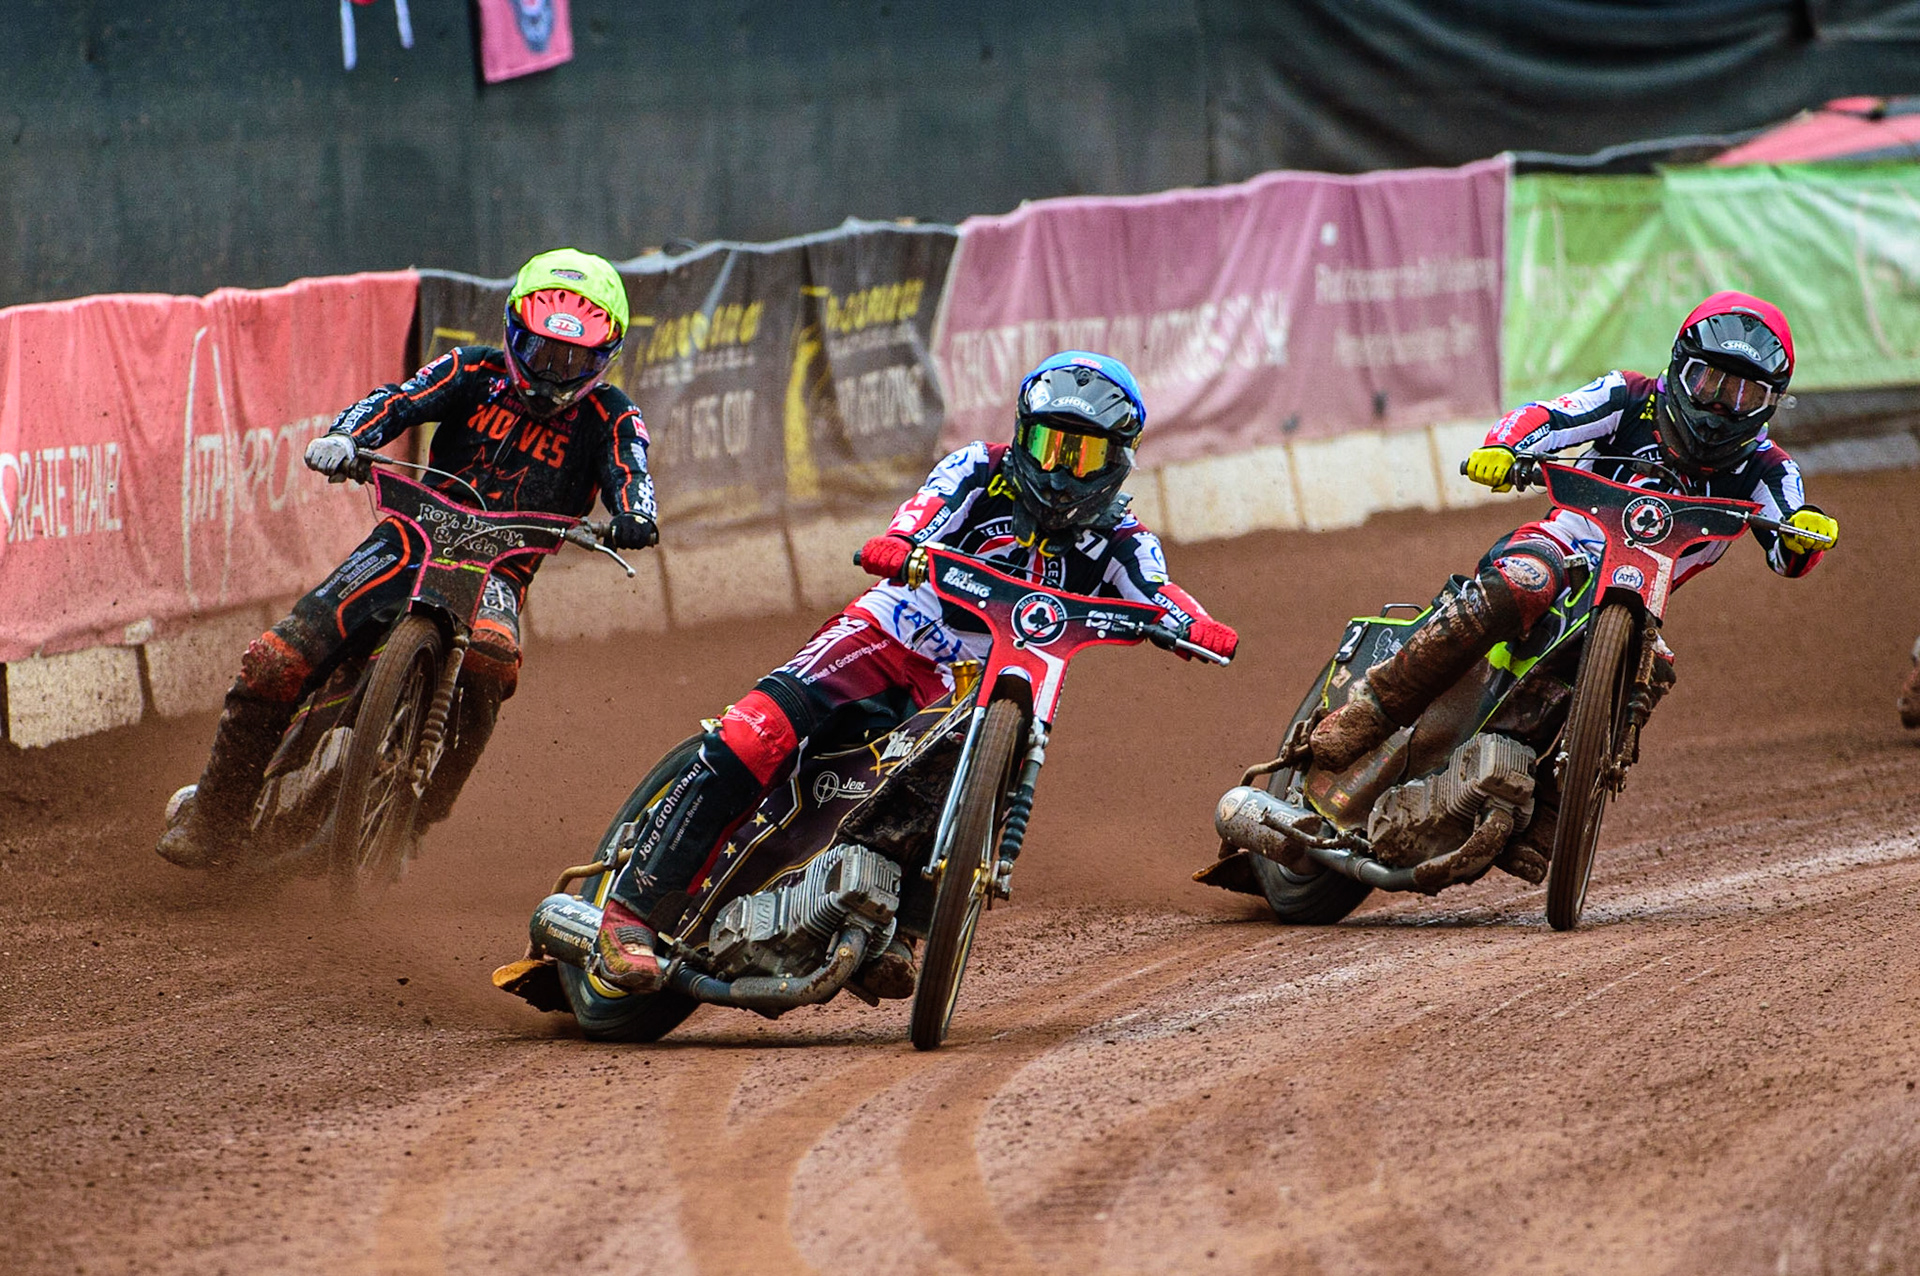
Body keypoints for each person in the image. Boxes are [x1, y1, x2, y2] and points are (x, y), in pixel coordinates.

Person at [589, 351, 1239, 993]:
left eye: (1082, 454)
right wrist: (899, 544)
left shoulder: (1121, 535)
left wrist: (1195, 626)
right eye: (1047, 443)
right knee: (753, 733)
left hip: (971, 681)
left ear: (1119, 459)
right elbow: (922, 513)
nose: (1059, 468)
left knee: (984, 755)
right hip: (891, 628)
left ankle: (903, 925)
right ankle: (629, 915)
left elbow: (1158, 591)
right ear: (1022, 433)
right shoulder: (980, 471)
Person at [158, 248, 660, 868]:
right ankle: (213, 817)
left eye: (573, 358)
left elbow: (630, 468)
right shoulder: (473, 371)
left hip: (497, 569)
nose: (554, 370)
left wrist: (636, 514)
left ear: (603, 358)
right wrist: (347, 436)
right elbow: (399, 399)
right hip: (407, 539)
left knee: (492, 659)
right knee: (274, 658)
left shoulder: (612, 413)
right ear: (512, 333)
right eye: (540, 351)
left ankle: (415, 817)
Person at [1310, 290, 1839, 772]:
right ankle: (1372, 713)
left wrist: (1802, 532)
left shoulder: (1768, 468)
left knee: (1652, 671)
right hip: (1561, 546)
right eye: (1710, 382)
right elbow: (1550, 416)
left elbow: (1790, 543)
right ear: (1680, 367)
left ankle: (1550, 811)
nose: (1722, 406)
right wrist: (1504, 448)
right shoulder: (1630, 396)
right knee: (1525, 580)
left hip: (1638, 602)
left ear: (1771, 402)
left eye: (1745, 395)